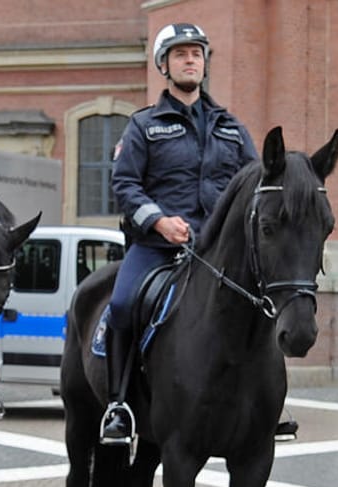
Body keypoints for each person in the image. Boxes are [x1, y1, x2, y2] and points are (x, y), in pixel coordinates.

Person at [101, 22, 260, 445]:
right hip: (157, 246)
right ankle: (119, 405)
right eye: (180, 54)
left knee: (264, 304)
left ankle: (266, 403)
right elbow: (125, 184)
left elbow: (253, 186)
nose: (190, 60)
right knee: (120, 305)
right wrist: (159, 221)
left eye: (196, 54)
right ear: (164, 66)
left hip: (218, 251)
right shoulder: (144, 126)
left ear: (205, 63)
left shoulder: (232, 128)